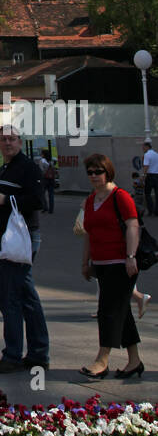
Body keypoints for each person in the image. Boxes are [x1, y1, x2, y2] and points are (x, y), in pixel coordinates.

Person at [0, 125, 49, 373]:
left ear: (20, 142)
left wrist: (5, 199)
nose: (7, 143)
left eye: (12, 139)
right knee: (26, 297)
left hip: (22, 238)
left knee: (9, 296)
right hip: (9, 238)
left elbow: (38, 201)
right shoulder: (6, 167)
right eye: (3, 139)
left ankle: (13, 354)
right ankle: (38, 353)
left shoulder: (28, 167)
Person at [79, 153, 143, 380]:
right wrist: (85, 261)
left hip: (120, 263)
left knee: (107, 311)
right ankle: (134, 361)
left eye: (99, 171)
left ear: (108, 172)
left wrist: (131, 256)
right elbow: (88, 233)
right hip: (100, 264)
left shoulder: (121, 196)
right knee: (122, 311)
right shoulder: (90, 200)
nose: (94, 176)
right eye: (90, 172)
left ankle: (102, 360)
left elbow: (133, 226)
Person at [142, 141, 158, 217]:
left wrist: (143, 176)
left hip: (150, 176)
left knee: (147, 194)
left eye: (143, 147)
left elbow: (146, 166)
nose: (143, 149)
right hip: (157, 176)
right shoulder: (156, 154)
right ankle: (157, 212)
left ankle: (150, 211)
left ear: (147, 147)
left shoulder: (147, 155)